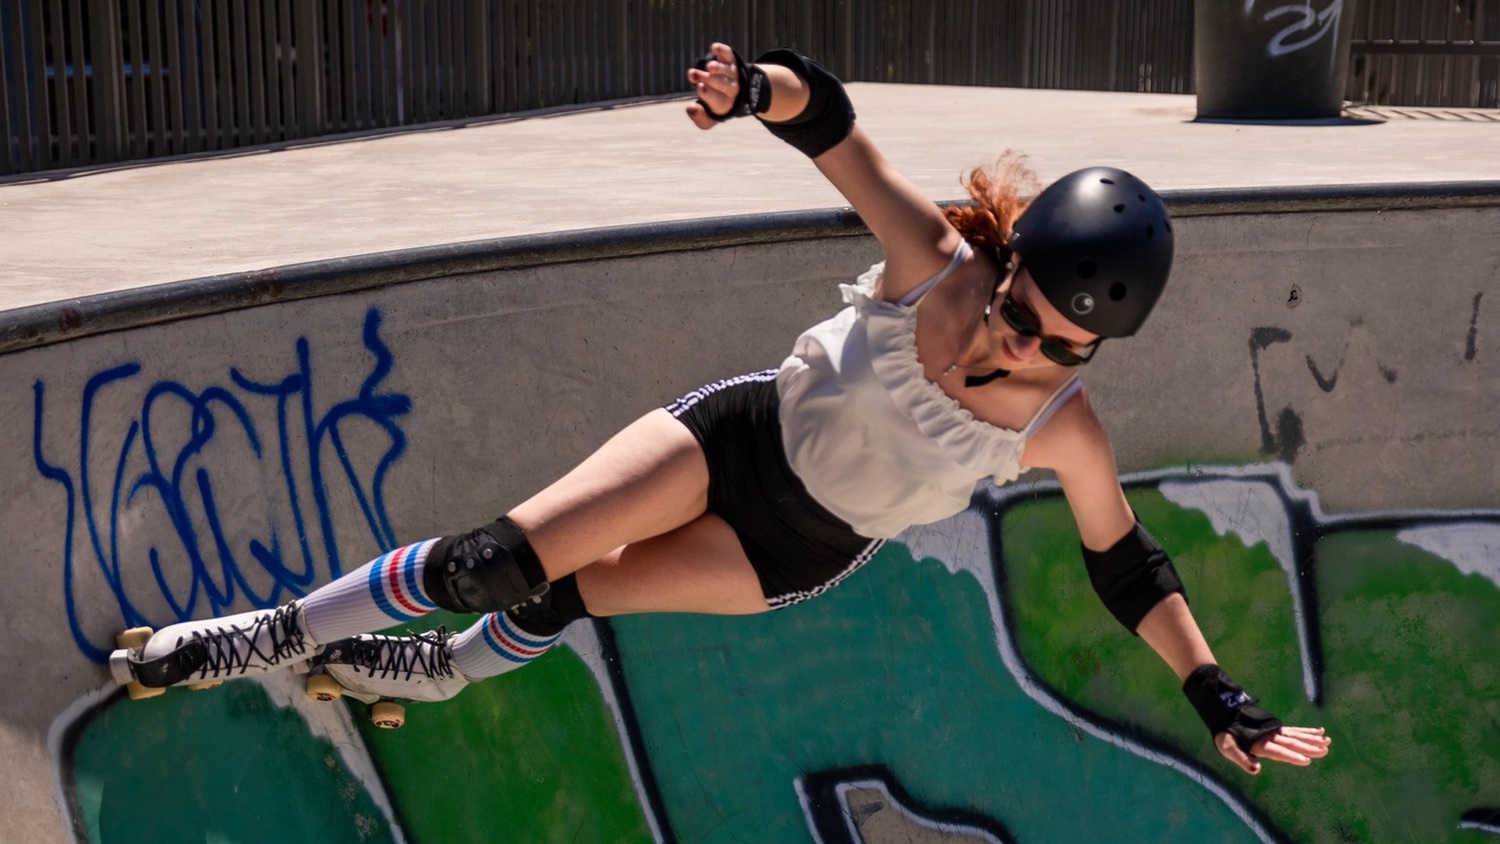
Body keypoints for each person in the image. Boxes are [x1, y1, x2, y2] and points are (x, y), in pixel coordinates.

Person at [111, 43, 1329, 774]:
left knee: (572, 594)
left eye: (1059, 345)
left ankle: (439, 674)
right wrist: (753, 88)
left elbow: (1127, 565)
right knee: (499, 560)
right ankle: (261, 635)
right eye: (1021, 313)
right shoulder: (935, 269)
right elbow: (834, 126)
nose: (1020, 347)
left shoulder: (1061, 426)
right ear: (1008, 268)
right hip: (732, 440)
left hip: (798, 549)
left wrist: (1212, 691)